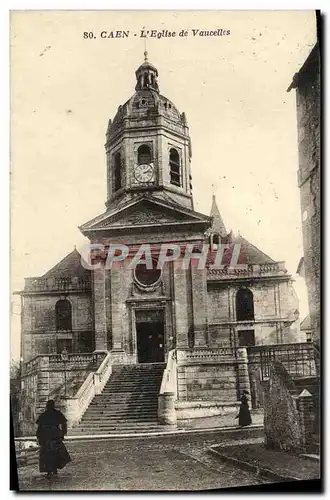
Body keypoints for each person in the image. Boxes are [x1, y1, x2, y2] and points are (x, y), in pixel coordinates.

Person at [36, 400, 71, 479]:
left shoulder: (44, 415)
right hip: (53, 436)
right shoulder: (57, 413)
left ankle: (50, 470)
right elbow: (64, 423)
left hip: (48, 437)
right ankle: (53, 469)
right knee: (55, 454)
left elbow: (39, 427)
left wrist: (39, 436)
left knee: (48, 454)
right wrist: (63, 433)